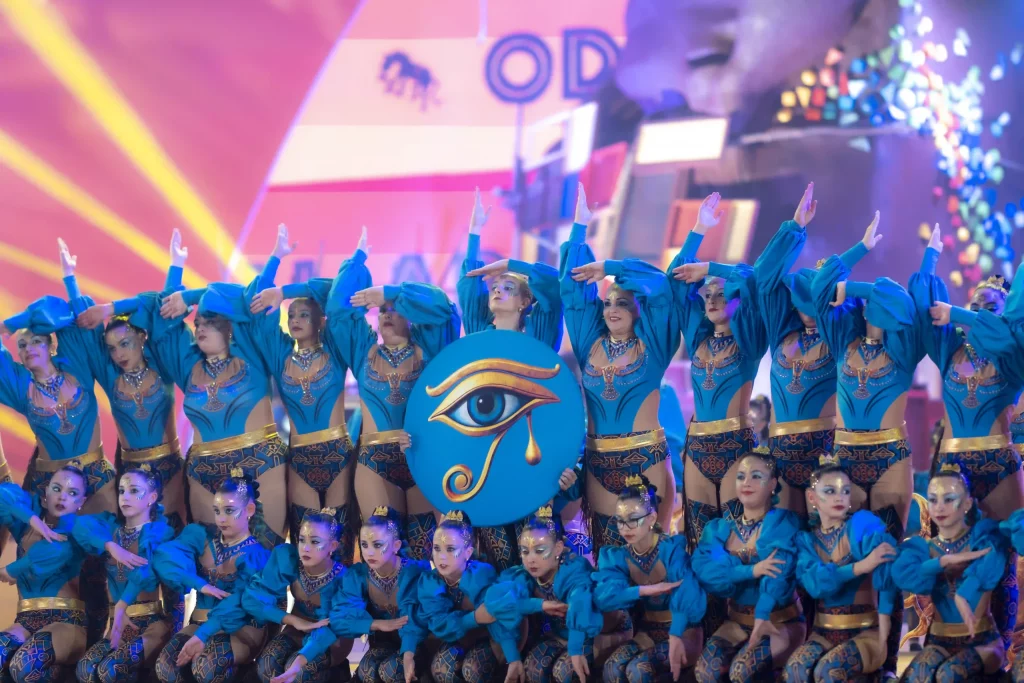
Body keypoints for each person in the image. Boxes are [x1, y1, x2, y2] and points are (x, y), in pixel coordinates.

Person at [456, 188, 579, 571]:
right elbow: (467, 285)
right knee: (494, 552)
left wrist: (511, 263)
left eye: (508, 288)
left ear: (526, 302)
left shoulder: (538, 339)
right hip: (486, 455)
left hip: (530, 454)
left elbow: (553, 288)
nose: (497, 290)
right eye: (494, 288)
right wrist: (474, 232)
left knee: (534, 548)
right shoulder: (479, 337)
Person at [918, 227, 1024, 652]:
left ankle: (1002, 651)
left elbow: (1003, 333)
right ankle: (956, 646)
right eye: (973, 304)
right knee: (954, 559)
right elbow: (924, 308)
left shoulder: (1012, 352)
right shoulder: (952, 350)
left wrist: (961, 314)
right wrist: (931, 256)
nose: (977, 312)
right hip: (953, 469)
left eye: (989, 307)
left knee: (1004, 562)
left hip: (998, 464)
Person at [153, 231, 294, 549]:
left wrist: (192, 296)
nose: (200, 327)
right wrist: (175, 271)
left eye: (209, 322)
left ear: (229, 327)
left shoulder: (252, 355)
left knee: (262, 557)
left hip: (260, 464)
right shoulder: (189, 367)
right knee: (213, 563)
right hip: (203, 471)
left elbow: (250, 300)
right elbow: (164, 327)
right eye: (197, 324)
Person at [327, 227, 461, 561]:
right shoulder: (364, 351)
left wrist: (391, 292)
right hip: (375, 461)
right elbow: (338, 309)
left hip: (421, 455)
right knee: (381, 553)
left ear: (412, 315)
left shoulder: (428, 348)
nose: (386, 313)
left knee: (422, 552)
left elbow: (442, 307)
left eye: (395, 308)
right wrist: (357, 262)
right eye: (383, 309)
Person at [560, 183, 678, 550]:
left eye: (623, 303)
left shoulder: (653, 347)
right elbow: (572, 291)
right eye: (608, 302)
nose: (612, 308)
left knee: (650, 551)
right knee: (608, 552)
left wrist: (610, 268)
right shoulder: (589, 346)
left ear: (638, 310)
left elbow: (660, 286)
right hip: (599, 463)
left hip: (646, 458)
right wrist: (579, 228)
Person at [242, 224, 360, 558]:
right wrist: (275, 258)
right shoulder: (281, 355)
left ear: (321, 320)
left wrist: (285, 290)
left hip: (338, 455)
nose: (294, 319)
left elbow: (334, 290)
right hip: (300, 458)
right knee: (305, 543)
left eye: (304, 314)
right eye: (291, 314)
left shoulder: (334, 349)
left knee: (338, 544)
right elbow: (256, 307)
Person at [72, 231, 191, 531]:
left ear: (141, 337)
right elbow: (84, 327)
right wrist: (69, 279)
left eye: (124, 344)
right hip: (129, 472)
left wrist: (176, 266)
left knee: (169, 540)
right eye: (112, 348)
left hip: (170, 468)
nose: (119, 354)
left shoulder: (161, 363)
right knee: (135, 544)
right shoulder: (110, 374)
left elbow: (161, 308)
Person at [667, 191, 766, 545]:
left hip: (734, 445)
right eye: (707, 295)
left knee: (735, 537)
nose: (711, 300)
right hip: (697, 446)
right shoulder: (699, 340)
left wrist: (710, 269)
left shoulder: (749, 341)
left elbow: (755, 279)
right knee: (698, 536)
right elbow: (675, 280)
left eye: (720, 294)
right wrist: (698, 229)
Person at [780, 453, 899, 681]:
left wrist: (885, 625)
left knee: (828, 670)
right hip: (823, 633)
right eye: (830, 491)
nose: (839, 497)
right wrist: (861, 566)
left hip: (865, 633)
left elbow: (887, 565)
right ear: (812, 497)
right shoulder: (807, 541)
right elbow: (816, 585)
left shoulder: (860, 527)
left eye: (845, 491)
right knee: (795, 669)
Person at [691, 448, 805, 682]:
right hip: (737, 622)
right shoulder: (720, 529)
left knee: (741, 671)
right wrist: (751, 570)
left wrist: (733, 569)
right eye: (741, 476)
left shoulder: (783, 523)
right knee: (705, 672)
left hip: (779, 622)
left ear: (772, 484)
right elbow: (707, 573)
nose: (746, 482)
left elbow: (777, 574)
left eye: (756, 476)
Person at [893, 462, 1008, 681]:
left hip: (982, 641)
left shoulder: (982, 540)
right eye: (933, 499)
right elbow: (906, 577)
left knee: (949, 674)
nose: (939, 507)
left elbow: (989, 568)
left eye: (949, 499)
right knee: (916, 675)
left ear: (967, 503)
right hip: (940, 641)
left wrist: (963, 596)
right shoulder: (923, 549)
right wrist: (942, 562)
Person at [153, 471, 271, 683]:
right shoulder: (202, 538)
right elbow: (163, 558)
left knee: (205, 667)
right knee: (166, 667)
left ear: (249, 510)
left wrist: (203, 635)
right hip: (200, 622)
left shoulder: (256, 556)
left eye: (229, 511)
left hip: (241, 629)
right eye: (217, 511)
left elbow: (241, 602)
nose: (221, 518)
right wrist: (200, 584)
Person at [594, 476, 705, 683]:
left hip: (683, 630)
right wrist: (644, 590)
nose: (625, 528)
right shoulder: (620, 556)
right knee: (611, 668)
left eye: (633, 519)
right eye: (620, 520)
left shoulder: (670, 550)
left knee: (638, 669)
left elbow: (688, 593)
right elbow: (605, 597)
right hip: (648, 633)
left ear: (652, 518)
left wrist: (676, 634)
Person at [73, 465, 176, 683]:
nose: (125, 497)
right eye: (121, 491)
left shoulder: (159, 532)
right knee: (84, 670)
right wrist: (110, 546)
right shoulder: (112, 530)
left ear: (152, 497)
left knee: (110, 669)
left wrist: (122, 605)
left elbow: (144, 571)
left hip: (149, 625)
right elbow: (78, 526)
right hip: (117, 626)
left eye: (134, 491)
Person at [484, 506, 602, 683]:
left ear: (558, 548)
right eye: (525, 551)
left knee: (565, 672)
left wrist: (575, 649)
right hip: (557, 637)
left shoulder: (573, 571)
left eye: (539, 551)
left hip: (588, 636)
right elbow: (498, 604)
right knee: (532, 669)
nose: (531, 559)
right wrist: (513, 658)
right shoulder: (524, 576)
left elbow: (580, 602)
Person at [0, 466, 90, 683]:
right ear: (45, 495)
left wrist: (12, 569)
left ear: (81, 502)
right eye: (57, 489)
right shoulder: (26, 529)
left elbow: (55, 551)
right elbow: (3, 494)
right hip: (26, 620)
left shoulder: (79, 530)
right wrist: (34, 520)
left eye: (72, 493)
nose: (62, 497)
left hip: (66, 623)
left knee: (24, 664)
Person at [242, 510, 352, 683]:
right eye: (302, 540)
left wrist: (297, 663)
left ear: (332, 546)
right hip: (297, 630)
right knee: (266, 667)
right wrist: (293, 620)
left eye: (314, 542)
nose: (305, 548)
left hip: (331, 639)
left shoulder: (344, 580)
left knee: (298, 673)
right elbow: (252, 599)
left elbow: (331, 629)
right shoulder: (291, 562)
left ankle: (337, 675)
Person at [330, 505, 431, 683]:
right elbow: (339, 619)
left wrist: (408, 655)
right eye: (364, 545)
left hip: (416, 644)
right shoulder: (359, 575)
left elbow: (415, 621)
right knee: (367, 670)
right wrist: (376, 624)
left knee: (389, 671)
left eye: (377, 545)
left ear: (396, 545)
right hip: (384, 644)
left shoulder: (413, 573)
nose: (369, 552)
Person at [416, 510, 517, 683]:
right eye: (437, 548)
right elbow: (439, 624)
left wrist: (513, 658)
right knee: (441, 668)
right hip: (457, 638)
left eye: (450, 549)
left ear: (468, 552)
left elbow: (498, 617)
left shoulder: (480, 575)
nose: (441, 556)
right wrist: (474, 617)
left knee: (473, 669)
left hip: (490, 638)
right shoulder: (430, 581)